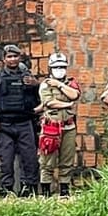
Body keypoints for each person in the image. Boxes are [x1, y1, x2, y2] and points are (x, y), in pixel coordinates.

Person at [0, 44, 41, 195]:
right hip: (4, 125)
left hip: (25, 123)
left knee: (30, 159)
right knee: (6, 160)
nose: (12, 59)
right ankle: (5, 191)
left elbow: (39, 98)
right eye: (9, 56)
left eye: (15, 56)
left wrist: (35, 85)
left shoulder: (28, 77)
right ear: (4, 59)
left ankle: (28, 190)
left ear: (19, 58)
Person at [36, 51, 81, 196]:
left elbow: (75, 95)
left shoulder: (71, 83)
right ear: (50, 68)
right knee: (47, 161)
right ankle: (46, 193)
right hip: (51, 127)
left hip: (69, 126)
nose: (59, 70)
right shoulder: (45, 84)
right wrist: (68, 105)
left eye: (62, 67)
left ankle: (64, 192)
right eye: (56, 67)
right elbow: (49, 103)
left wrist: (59, 85)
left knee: (67, 160)